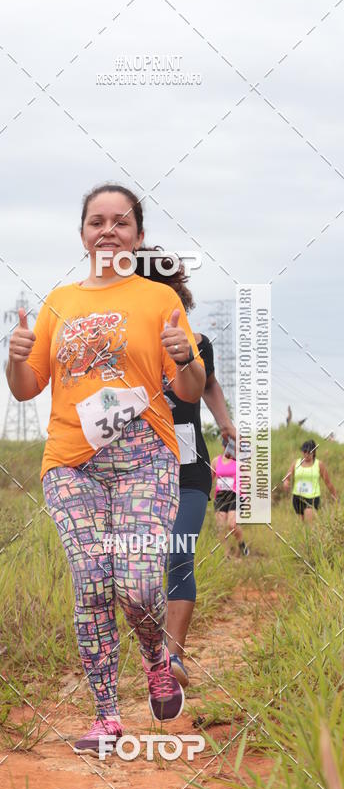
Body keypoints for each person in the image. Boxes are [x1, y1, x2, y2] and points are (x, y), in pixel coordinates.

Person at [6, 183, 205, 755]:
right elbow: (26, 388)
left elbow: (190, 388)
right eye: (97, 221)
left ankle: (157, 659)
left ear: (138, 236)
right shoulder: (59, 302)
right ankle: (106, 717)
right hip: (73, 464)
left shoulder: (158, 300)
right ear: (83, 234)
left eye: (121, 222)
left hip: (146, 459)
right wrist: (14, 359)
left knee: (139, 586)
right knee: (92, 582)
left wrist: (185, 356)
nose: (108, 230)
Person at [136, 248, 237, 689]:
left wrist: (225, 422)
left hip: (189, 467)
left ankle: (171, 658)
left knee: (179, 554)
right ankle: (150, 649)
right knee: (140, 566)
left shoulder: (198, 343)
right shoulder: (121, 346)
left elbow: (209, 384)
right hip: (137, 469)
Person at [283, 439, 337, 522]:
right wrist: (286, 482)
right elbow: (287, 477)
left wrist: (334, 496)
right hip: (297, 497)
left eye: (309, 452)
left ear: (314, 452)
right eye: (304, 452)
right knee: (301, 525)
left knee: (309, 524)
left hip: (312, 498)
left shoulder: (319, 464)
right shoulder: (296, 463)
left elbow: (328, 482)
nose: (306, 454)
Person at [211, 449, 250, 556]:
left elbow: (248, 479)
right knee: (221, 527)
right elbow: (210, 478)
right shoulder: (216, 461)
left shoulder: (240, 462)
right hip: (220, 496)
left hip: (235, 495)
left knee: (232, 525)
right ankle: (226, 555)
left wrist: (245, 497)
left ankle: (241, 543)